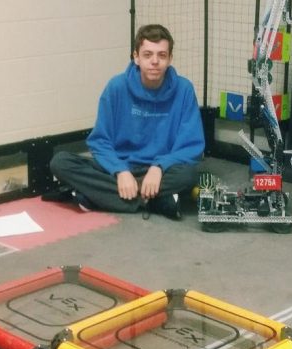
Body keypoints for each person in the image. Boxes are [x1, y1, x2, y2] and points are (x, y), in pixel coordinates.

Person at [49, 24, 205, 220]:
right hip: (121, 166)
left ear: (170, 59)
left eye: (161, 55)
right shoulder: (116, 87)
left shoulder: (184, 89)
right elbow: (100, 141)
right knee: (61, 162)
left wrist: (159, 167)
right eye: (147, 55)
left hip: (163, 171)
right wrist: (120, 171)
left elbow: (192, 147)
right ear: (136, 57)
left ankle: (97, 197)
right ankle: (154, 200)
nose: (154, 61)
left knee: (189, 175)